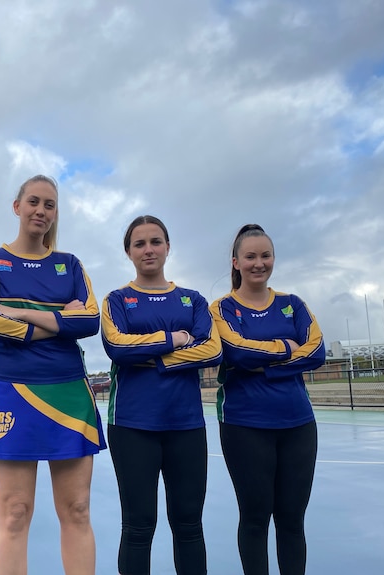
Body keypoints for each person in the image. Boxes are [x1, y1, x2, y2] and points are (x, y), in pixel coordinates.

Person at [0, 175, 105, 575]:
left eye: (49, 204)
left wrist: (26, 314)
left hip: (68, 392)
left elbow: (90, 321)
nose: (41, 211)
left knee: (78, 509)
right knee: (15, 512)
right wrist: (57, 320)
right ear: (17, 207)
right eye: (34, 202)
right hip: (9, 392)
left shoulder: (71, 265)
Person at [101, 215, 222, 575]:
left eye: (155, 242)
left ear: (168, 247)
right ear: (128, 252)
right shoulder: (118, 300)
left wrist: (155, 360)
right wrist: (175, 340)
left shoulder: (192, 300)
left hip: (185, 425)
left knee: (188, 526)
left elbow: (212, 350)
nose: (148, 249)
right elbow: (117, 347)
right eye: (140, 244)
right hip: (132, 425)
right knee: (138, 526)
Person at [209, 224, 325, 575]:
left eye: (265, 256)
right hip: (245, 425)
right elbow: (235, 352)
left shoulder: (293, 304)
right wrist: (286, 350)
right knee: (255, 517)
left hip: (298, 425)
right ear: (236, 262)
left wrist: (269, 367)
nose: (259, 263)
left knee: (292, 519)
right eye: (250, 257)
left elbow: (317, 350)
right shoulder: (222, 308)